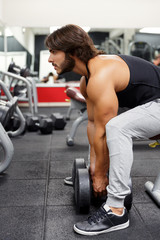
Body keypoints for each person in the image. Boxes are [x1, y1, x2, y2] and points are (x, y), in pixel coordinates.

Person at [45, 24, 160, 236]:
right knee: (106, 126)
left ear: (72, 52)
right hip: (151, 104)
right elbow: (92, 124)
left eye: (54, 52)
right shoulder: (86, 79)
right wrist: (93, 170)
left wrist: (100, 176)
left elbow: (106, 130)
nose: (49, 59)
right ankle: (103, 178)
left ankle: (116, 209)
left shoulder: (101, 74)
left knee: (117, 127)